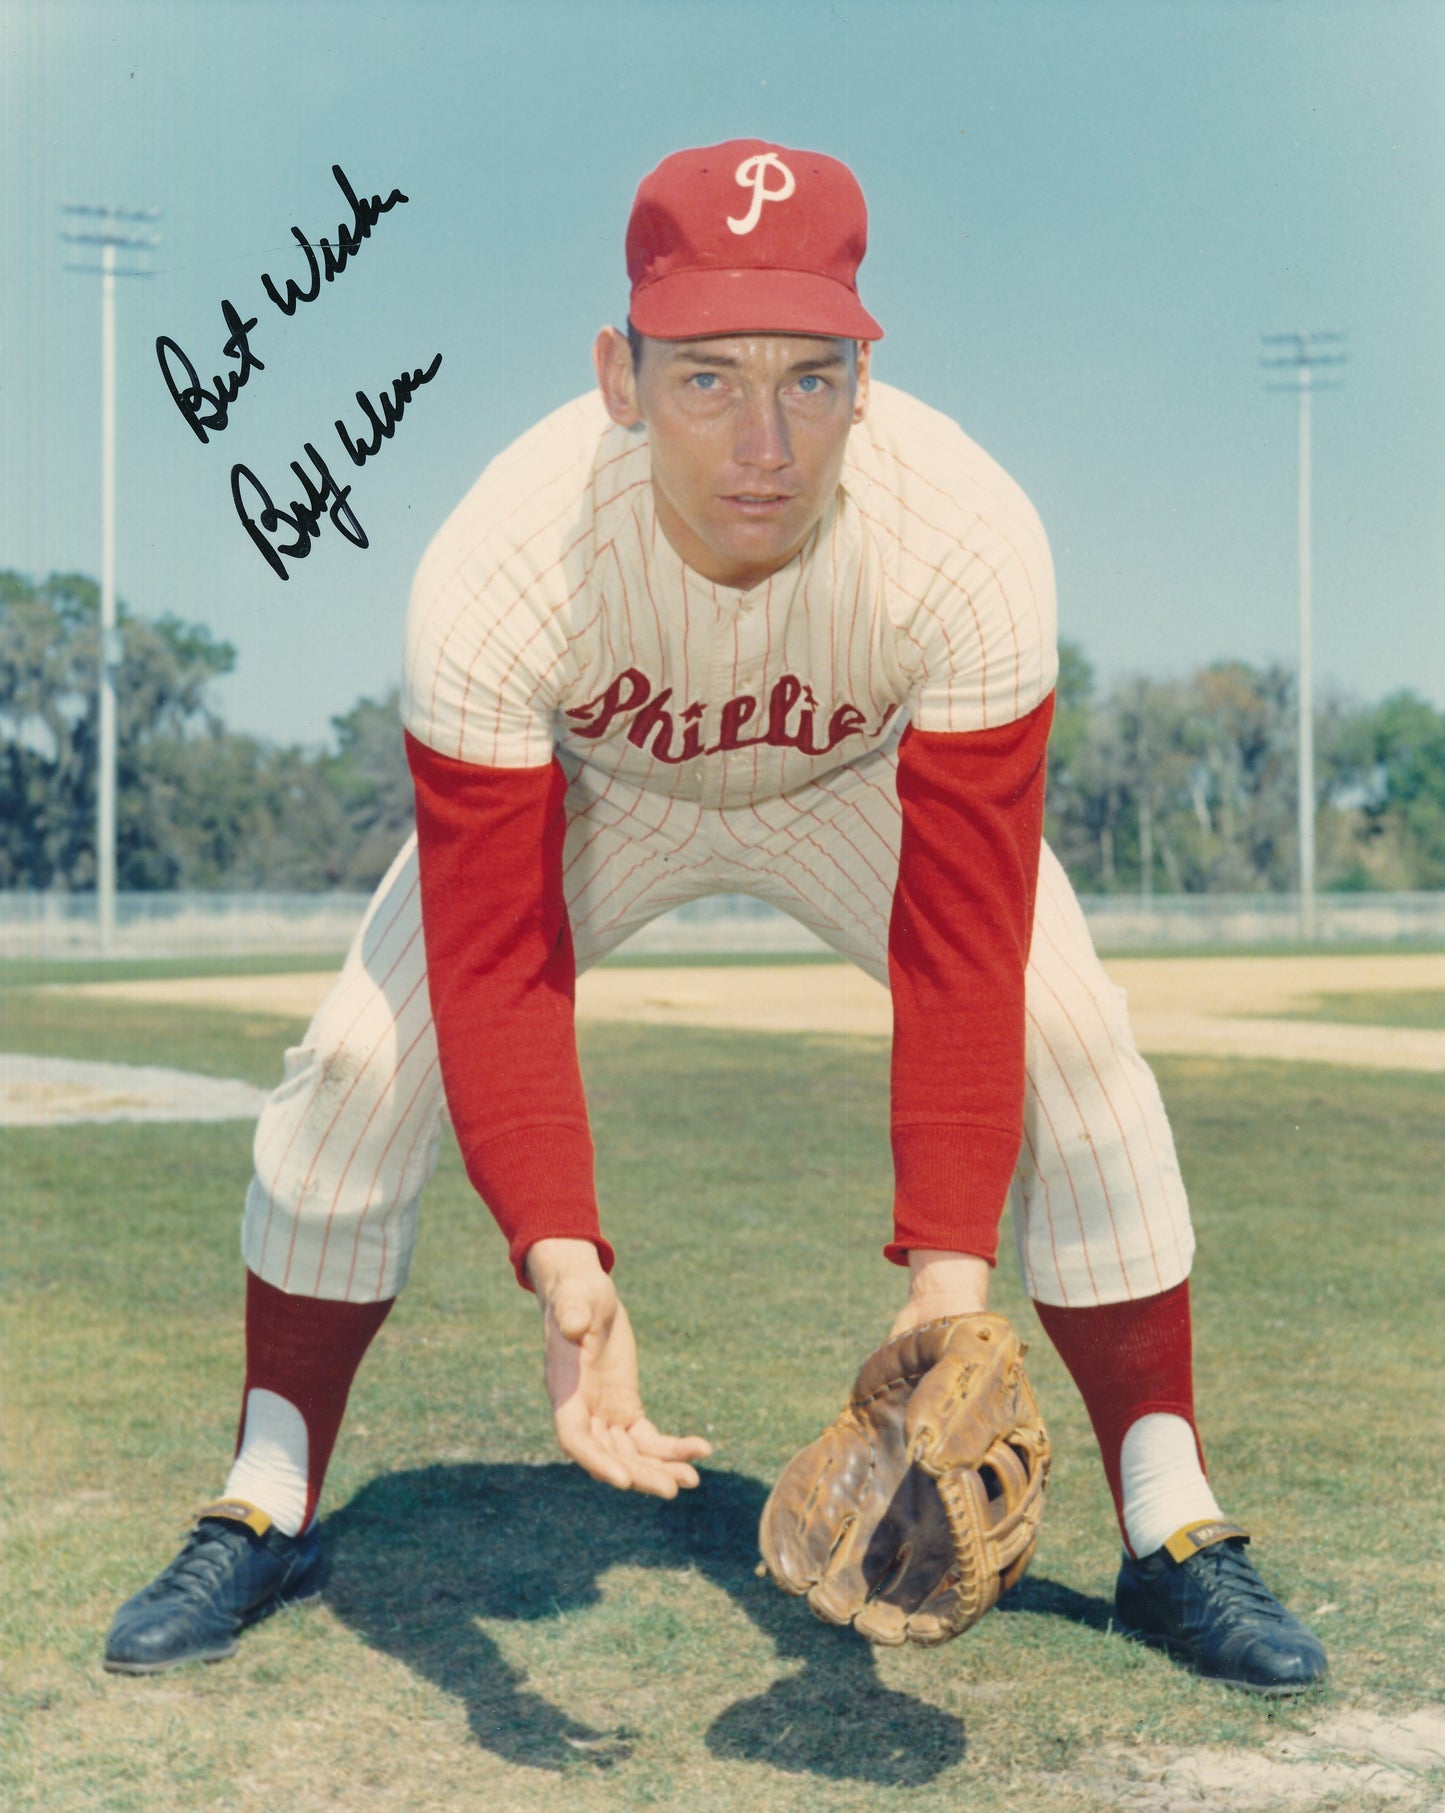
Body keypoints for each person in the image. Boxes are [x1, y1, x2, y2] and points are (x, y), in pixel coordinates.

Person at [105, 139, 1326, 1694]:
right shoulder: (496, 562)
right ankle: (265, 1500)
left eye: (811, 377)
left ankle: (1173, 1527)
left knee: (1075, 1042)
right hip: (599, 794)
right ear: (618, 374)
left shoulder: (965, 537)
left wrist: (948, 1285)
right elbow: (491, 957)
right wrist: (561, 1255)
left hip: (852, 779)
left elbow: (962, 941)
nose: (766, 439)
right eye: (705, 379)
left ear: (866, 383)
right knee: (355, 1062)